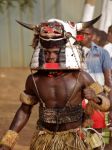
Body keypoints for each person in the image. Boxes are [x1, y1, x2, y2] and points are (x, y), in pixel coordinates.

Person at [0, 17, 111, 150]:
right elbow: (24, 110)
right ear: (40, 52)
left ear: (67, 51)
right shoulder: (34, 80)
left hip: (75, 139)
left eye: (55, 52)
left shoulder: (81, 77)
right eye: (46, 52)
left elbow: (106, 104)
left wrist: (96, 98)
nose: (50, 56)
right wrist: (7, 142)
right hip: (44, 140)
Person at [77, 26, 112, 150]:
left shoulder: (102, 52)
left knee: (99, 137)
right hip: (76, 100)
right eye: (80, 34)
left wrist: (110, 106)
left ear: (92, 36)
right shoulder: (71, 52)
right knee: (77, 136)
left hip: (97, 100)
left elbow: (109, 81)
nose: (82, 36)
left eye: (86, 34)